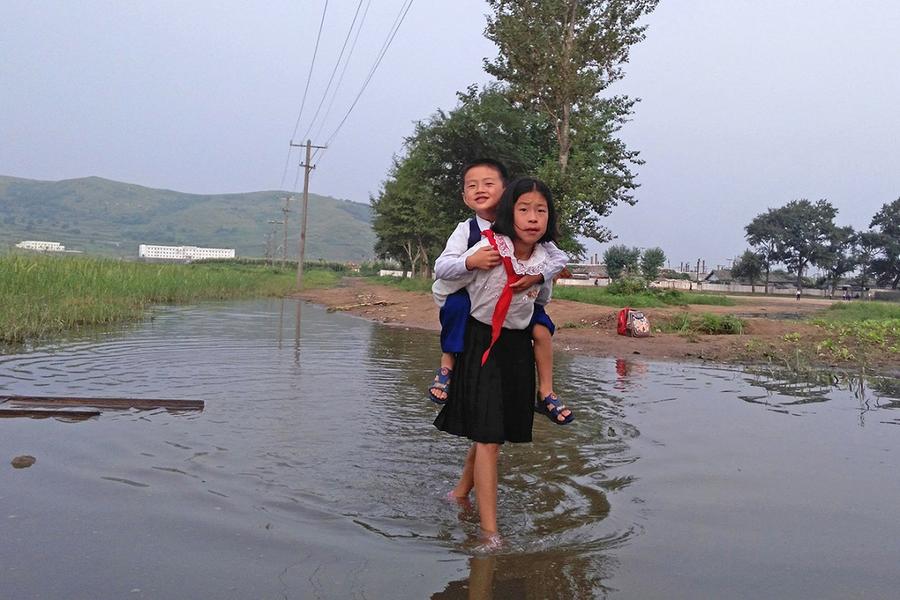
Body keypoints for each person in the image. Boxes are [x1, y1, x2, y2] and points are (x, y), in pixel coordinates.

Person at [432, 177, 560, 545]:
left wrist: (534, 278)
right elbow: (447, 277)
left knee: (494, 434)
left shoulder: (544, 261)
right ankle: (490, 534)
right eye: (523, 209)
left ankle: (460, 493)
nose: (533, 218)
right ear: (508, 212)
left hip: (516, 348)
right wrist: (468, 268)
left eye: (541, 210)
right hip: (481, 343)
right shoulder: (487, 247)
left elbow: (542, 301)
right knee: (488, 438)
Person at [427, 159, 573, 425]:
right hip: (471, 297)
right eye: (472, 186)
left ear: (506, 192)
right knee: (458, 310)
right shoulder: (469, 232)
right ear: (464, 196)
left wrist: (538, 276)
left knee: (541, 331)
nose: (480, 189)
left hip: (521, 301)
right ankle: (447, 365)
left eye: (488, 183)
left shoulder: (526, 228)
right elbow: (442, 268)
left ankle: (547, 390)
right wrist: (471, 262)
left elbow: (557, 258)